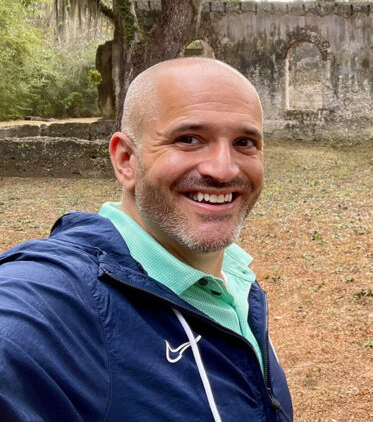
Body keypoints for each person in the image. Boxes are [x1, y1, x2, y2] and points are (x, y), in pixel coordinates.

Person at [0, 58, 293, 421]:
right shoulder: (62, 300)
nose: (223, 169)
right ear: (126, 160)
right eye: (188, 139)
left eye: (244, 142)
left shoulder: (235, 276)